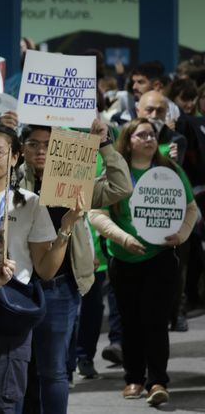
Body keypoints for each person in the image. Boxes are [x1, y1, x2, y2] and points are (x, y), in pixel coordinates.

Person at [0, 125, 83, 414]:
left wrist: (66, 229)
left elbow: (45, 270)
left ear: (16, 157)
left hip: (10, 317)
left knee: (3, 405)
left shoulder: (30, 204)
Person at [16, 120, 131, 413]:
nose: (41, 151)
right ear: (23, 148)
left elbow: (121, 186)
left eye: (48, 145)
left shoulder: (74, 180)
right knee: (21, 368)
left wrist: (104, 145)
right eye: (34, 144)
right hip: (18, 286)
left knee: (54, 370)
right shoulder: (12, 179)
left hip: (61, 286)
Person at [89, 118, 198, 406]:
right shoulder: (115, 172)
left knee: (155, 321)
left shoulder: (170, 171)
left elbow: (190, 208)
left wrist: (183, 234)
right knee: (130, 321)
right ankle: (134, 378)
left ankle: (158, 380)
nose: (149, 139)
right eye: (142, 135)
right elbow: (97, 213)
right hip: (123, 259)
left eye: (152, 134)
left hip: (160, 258)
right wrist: (123, 239)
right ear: (128, 140)